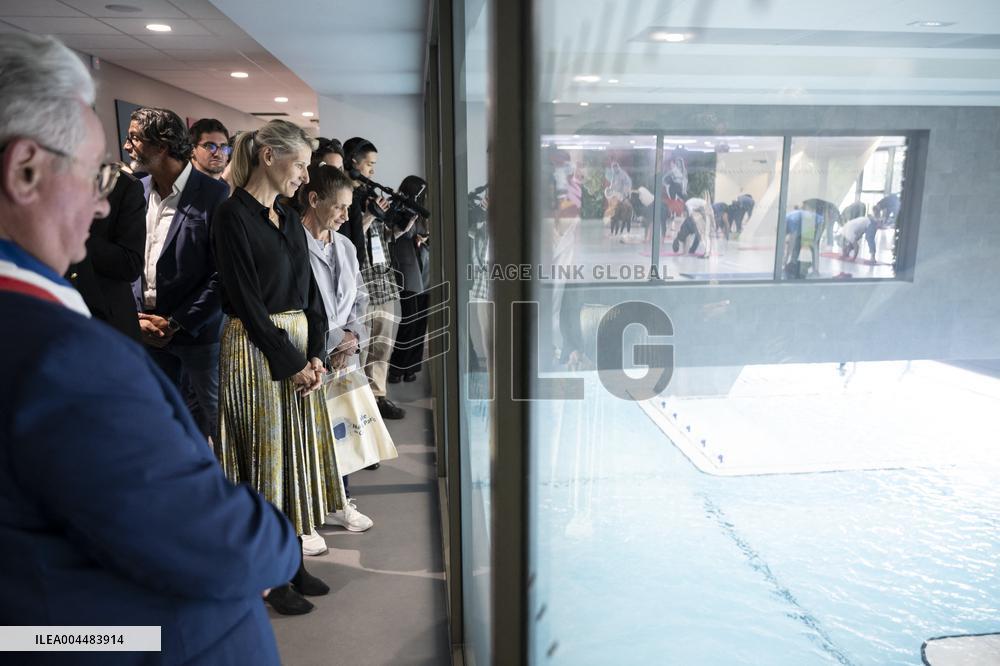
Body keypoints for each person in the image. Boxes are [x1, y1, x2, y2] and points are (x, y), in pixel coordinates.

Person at [0, 33, 298, 664]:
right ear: (25, 170)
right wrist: (279, 543)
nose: (100, 202)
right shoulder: (62, 357)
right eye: (96, 175)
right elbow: (214, 546)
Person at [212, 119, 342, 614]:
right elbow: (246, 303)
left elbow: (310, 295)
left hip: (296, 355)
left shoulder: (287, 217)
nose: (306, 176)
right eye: (301, 164)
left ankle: (291, 563)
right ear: (269, 156)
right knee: (264, 464)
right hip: (256, 353)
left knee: (293, 461)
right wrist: (292, 364)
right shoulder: (231, 216)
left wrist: (317, 354)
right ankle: (268, 574)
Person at [124, 107, 228, 441]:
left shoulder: (214, 195)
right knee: (159, 419)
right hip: (146, 329)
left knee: (220, 423)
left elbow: (222, 275)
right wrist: (136, 318)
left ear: (162, 145)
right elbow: (127, 259)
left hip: (197, 333)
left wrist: (177, 323)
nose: (127, 146)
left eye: (135, 138)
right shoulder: (135, 190)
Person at [298, 163, 377, 540]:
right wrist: (333, 341)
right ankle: (304, 517)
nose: (347, 215)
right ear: (314, 199)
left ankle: (341, 500)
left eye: (349, 207)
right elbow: (297, 308)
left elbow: (360, 299)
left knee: (341, 433)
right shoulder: (292, 244)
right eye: (340, 207)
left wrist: (353, 337)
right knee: (306, 437)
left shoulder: (345, 245)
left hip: (346, 357)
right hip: (308, 357)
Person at [339, 137, 406, 420]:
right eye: (369, 163)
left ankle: (378, 396)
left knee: (383, 346)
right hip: (361, 283)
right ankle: (359, 405)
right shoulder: (343, 196)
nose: (372, 170)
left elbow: (382, 237)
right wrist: (367, 216)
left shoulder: (370, 193)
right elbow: (348, 239)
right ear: (353, 161)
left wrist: (400, 229)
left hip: (384, 281)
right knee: (361, 349)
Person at [65, 168, 146, 341]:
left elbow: (130, 265)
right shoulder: (29, 180)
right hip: (52, 318)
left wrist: (78, 234)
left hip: (109, 324)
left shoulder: (123, 186)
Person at [388, 175, 431, 382]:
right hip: (406, 270)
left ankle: (411, 367)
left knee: (421, 321)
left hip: (425, 269)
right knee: (409, 320)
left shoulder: (424, 212)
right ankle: (397, 367)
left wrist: (425, 237)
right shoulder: (397, 207)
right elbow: (401, 233)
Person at [189, 117, 232, 182]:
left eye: (223, 147)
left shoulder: (228, 186)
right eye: (210, 147)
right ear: (192, 150)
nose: (218, 154)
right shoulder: (182, 185)